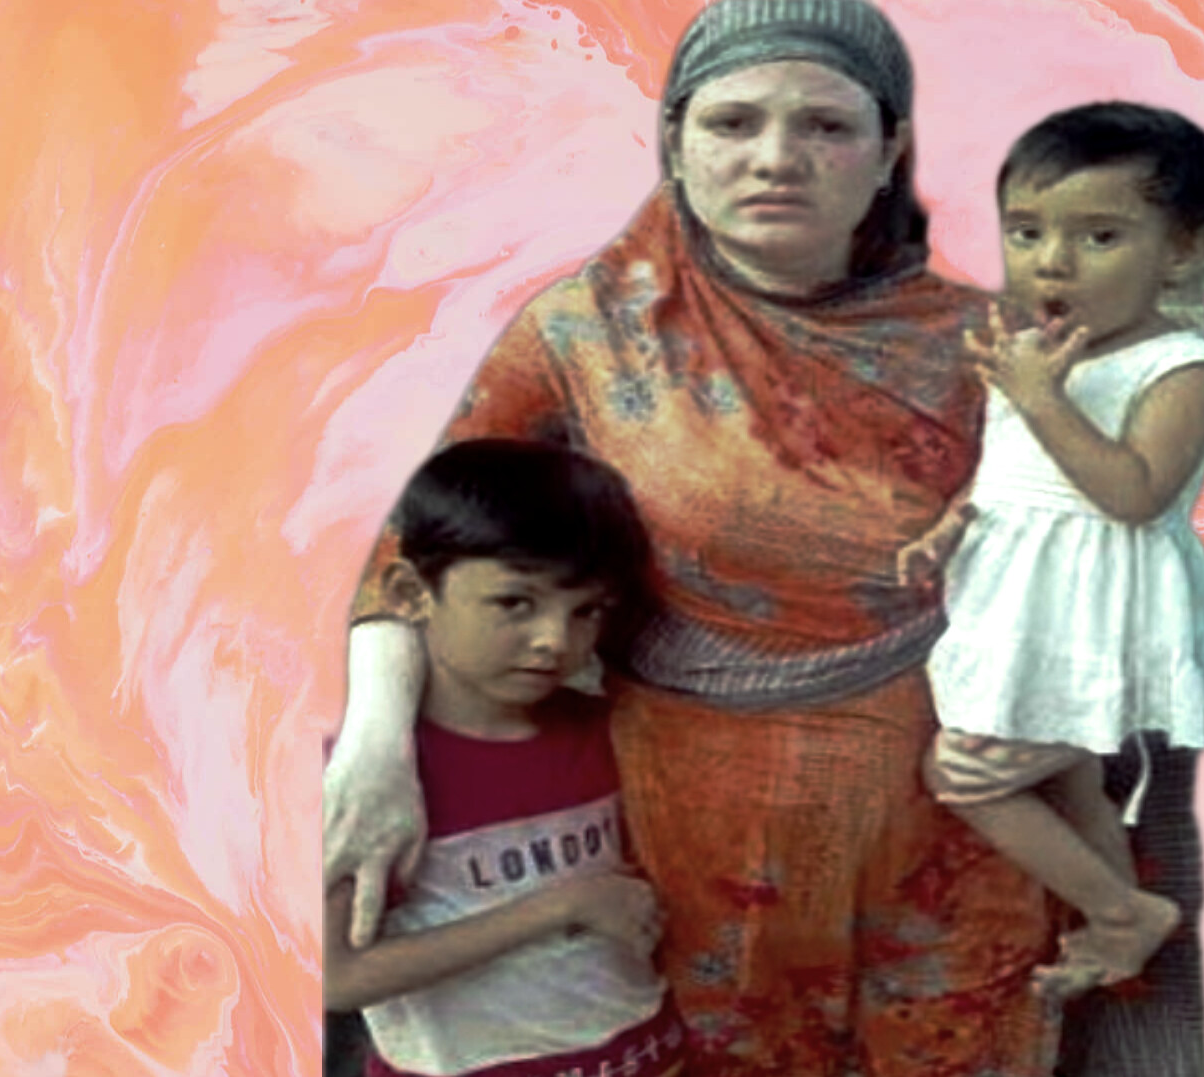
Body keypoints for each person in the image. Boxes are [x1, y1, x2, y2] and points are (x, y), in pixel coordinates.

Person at [322, 2, 1060, 1073]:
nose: (777, 158)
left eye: (825, 125)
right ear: (673, 140)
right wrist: (377, 749)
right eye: (733, 122)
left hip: (959, 813)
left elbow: (1101, 562)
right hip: (701, 830)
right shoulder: (584, 333)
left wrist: (1070, 739)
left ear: (890, 149)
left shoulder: (996, 344)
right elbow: (416, 549)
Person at [895, 102, 1204, 1070]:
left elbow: (1132, 494)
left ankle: (1123, 908)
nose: (1053, 263)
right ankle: (1118, 913)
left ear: (1181, 251)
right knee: (1069, 775)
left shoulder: (1185, 369)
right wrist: (950, 524)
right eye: (1027, 233)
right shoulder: (1036, 351)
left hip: (1094, 620)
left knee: (963, 773)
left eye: (1099, 237)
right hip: (1015, 604)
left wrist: (1041, 397)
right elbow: (1007, 470)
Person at [322, 440, 688, 1077]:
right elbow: (336, 976)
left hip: (646, 1055)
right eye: (515, 603)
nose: (555, 640)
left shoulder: (607, 730)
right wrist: (562, 908)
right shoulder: (370, 780)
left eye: (587, 611)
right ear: (411, 592)